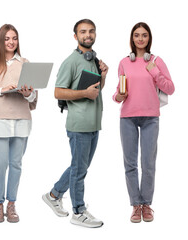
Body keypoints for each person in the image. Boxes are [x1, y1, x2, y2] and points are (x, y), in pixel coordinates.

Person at [42, 19, 108, 228]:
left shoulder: (93, 60)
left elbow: (96, 90)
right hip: (79, 125)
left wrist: (103, 76)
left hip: (93, 123)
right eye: (83, 32)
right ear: (75, 36)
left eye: (91, 31)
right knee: (80, 170)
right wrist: (84, 93)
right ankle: (78, 211)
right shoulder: (70, 61)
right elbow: (57, 92)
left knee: (79, 166)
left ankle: (53, 195)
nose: (88, 35)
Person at [113, 22, 174, 223]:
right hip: (127, 117)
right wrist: (118, 96)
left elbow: (171, 88)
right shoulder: (124, 62)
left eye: (144, 35)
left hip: (150, 118)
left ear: (149, 38)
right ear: (132, 38)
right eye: (137, 35)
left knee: (148, 163)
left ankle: (147, 204)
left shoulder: (156, 61)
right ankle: (135, 205)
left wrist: (155, 71)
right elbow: (117, 92)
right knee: (130, 164)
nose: (140, 39)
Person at [0, 24, 37, 223]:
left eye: (14, 38)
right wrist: (1, 90)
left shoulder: (26, 63)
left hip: (21, 119)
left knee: (16, 164)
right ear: (0, 41)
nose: (11, 42)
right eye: (7, 39)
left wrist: (27, 93)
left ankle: (12, 204)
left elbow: (34, 95)